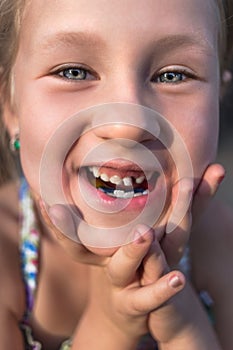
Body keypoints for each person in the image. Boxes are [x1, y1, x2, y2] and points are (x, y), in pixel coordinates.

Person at [0, 0, 232, 349]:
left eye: (173, 75)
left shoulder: (223, 247)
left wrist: (184, 324)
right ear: (10, 105)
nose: (126, 125)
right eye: (73, 72)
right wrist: (112, 323)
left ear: (219, 97)